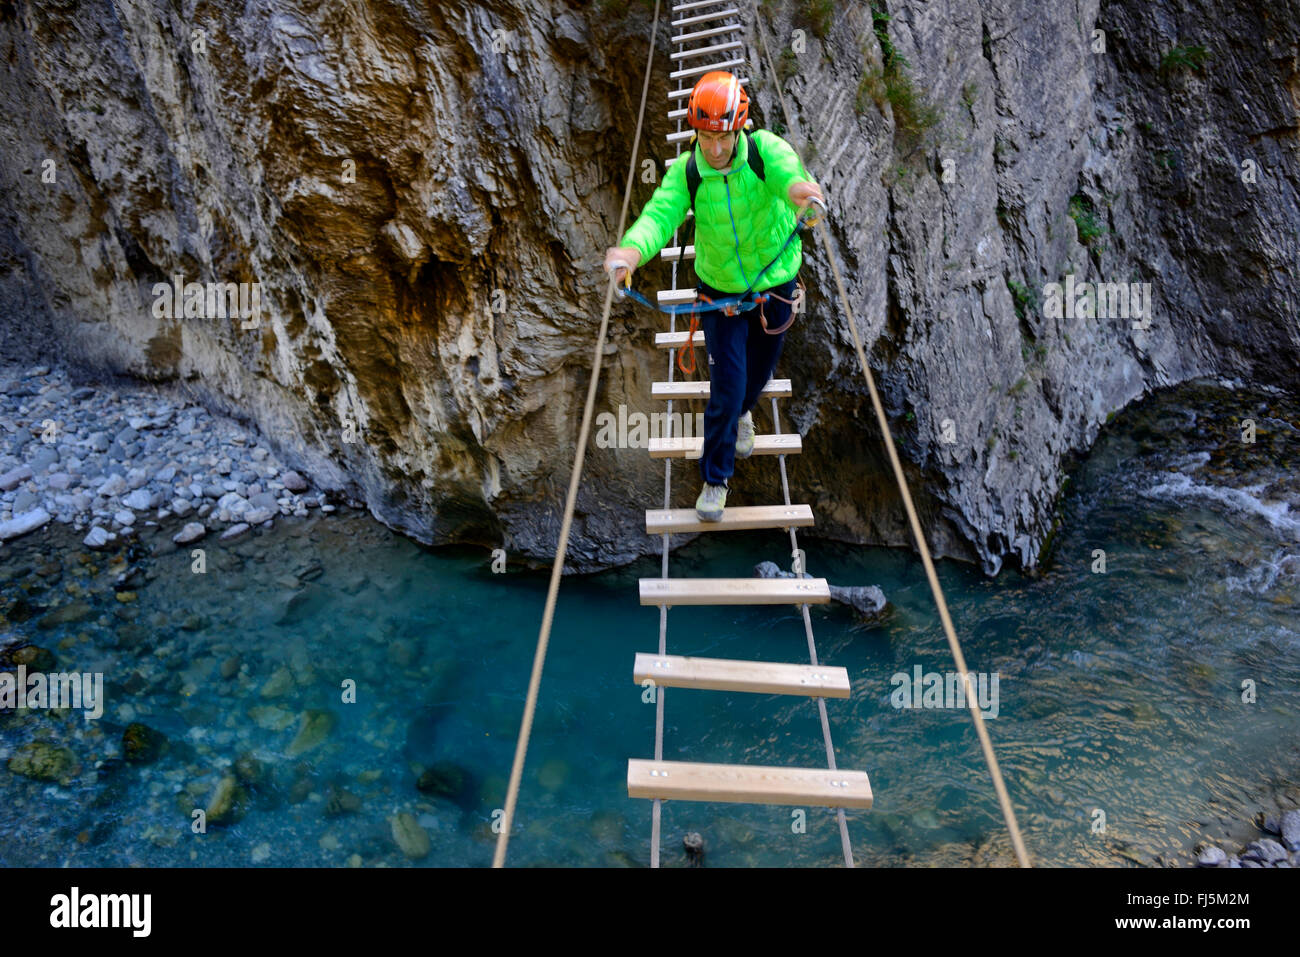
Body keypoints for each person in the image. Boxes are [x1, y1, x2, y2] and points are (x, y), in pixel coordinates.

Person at [604, 71, 824, 522]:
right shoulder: (688, 172)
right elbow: (660, 215)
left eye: (723, 137)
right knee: (727, 388)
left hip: (775, 285)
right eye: (706, 136)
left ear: (739, 127)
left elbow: (791, 178)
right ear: (696, 132)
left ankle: (746, 411)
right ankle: (715, 478)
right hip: (719, 293)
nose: (715, 148)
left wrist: (805, 195)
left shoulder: (765, 152)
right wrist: (630, 251)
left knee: (757, 375)